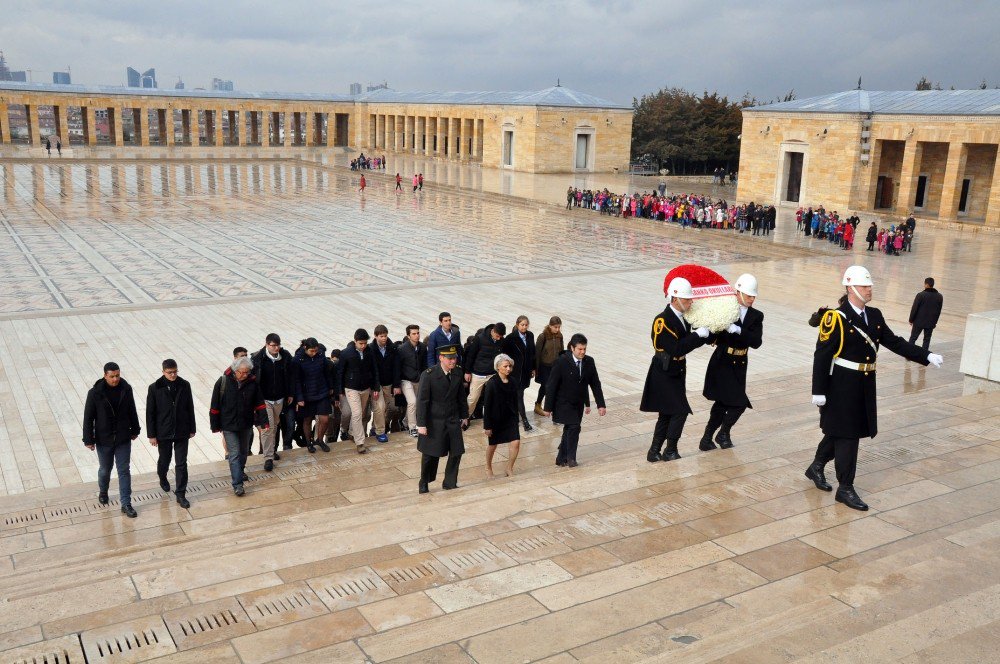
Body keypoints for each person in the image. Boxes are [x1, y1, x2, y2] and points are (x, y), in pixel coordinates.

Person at [808, 265, 943, 511]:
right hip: (841, 385)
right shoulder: (834, 318)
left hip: (865, 384)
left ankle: (816, 466)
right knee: (849, 436)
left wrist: (926, 355)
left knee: (842, 430)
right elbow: (822, 356)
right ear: (850, 288)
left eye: (869, 285)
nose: (869, 289)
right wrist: (818, 391)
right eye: (864, 286)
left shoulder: (876, 315)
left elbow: (895, 343)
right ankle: (845, 488)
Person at [640, 276, 711, 462]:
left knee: (667, 412)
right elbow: (676, 348)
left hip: (677, 370)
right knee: (680, 410)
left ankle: (654, 451)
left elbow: (690, 342)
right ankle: (670, 449)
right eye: (687, 299)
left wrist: (709, 333)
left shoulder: (684, 319)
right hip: (664, 371)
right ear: (675, 298)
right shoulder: (662, 321)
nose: (690, 302)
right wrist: (697, 336)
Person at [700, 274, 763, 451]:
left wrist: (737, 329)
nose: (752, 299)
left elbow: (756, 342)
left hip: (740, 363)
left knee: (723, 403)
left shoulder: (757, 316)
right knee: (738, 403)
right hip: (723, 362)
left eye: (753, 296)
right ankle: (722, 433)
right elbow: (711, 336)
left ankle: (707, 438)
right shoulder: (725, 311)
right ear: (738, 292)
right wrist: (706, 327)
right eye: (749, 295)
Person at [83, 362, 141, 518]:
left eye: (117, 375)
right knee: (105, 469)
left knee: (124, 470)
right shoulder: (95, 393)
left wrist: (135, 429)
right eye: (112, 376)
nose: (115, 379)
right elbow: (88, 418)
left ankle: (126, 503)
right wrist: (88, 439)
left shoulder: (126, 389)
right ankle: (103, 490)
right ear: (105, 375)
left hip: (123, 438)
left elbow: (132, 410)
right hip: (104, 439)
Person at [542, 333, 606, 467]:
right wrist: (547, 407)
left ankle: (560, 458)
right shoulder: (562, 361)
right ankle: (571, 458)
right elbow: (551, 385)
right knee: (574, 427)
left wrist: (601, 404)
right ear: (572, 348)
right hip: (563, 402)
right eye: (579, 349)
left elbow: (595, 383)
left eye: (584, 349)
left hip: (578, 404)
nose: (582, 352)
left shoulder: (589, 361)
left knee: (570, 428)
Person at [210, 356, 269, 496]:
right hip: (228, 425)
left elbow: (260, 404)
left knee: (243, 452)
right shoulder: (223, 382)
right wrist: (215, 425)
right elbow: (215, 405)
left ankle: (240, 471)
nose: (244, 375)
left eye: (247, 372)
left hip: (246, 424)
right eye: (242, 372)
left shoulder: (253, 383)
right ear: (235, 370)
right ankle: (237, 484)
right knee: (234, 453)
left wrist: (264, 422)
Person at [416, 344, 469, 493]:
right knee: (430, 454)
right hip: (435, 420)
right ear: (441, 358)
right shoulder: (429, 375)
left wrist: (464, 415)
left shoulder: (457, 372)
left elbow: (461, 397)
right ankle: (424, 481)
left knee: (457, 451)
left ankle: (450, 482)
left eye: (455, 358)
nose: (453, 361)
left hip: (452, 418)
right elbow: (422, 401)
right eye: (450, 358)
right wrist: (421, 424)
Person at [146, 359, 196, 508]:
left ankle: (181, 494)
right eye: (170, 372)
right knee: (165, 460)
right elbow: (150, 413)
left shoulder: (184, 385)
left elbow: (190, 407)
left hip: (181, 431)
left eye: (175, 372)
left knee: (181, 463)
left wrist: (192, 428)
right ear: (163, 372)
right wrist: (152, 435)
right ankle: (162, 477)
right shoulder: (155, 388)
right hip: (163, 431)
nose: (173, 375)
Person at [251, 333, 296, 471]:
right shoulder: (258, 359)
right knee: (267, 427)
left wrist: (290, 393)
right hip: (264, 400)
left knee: (275, 426)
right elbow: (254, 381)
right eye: (273, 345)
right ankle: (268, 458)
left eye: (278, 345)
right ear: (267, 345)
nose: (276, 348)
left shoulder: (285, 357)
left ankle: (271, 450)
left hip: (279, 399)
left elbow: (290, 376)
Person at [340, 329, 379, 453]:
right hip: (351, 388)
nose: (363, 346)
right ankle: (360, 442)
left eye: (365, 343)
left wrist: (375, 387)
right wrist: (339, 391)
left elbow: (374, 370)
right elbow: (340, 372)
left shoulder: (370, 352)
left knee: (360, 414)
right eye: (361, 343)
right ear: (355, 341)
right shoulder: (346, 353)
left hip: (366, 388)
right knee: (356, 414)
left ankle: (352, 432)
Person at [294, 338, 337, 453]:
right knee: (307, 420)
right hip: (306, 395)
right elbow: (296, 380)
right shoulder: (298, 359)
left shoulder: (321, 355)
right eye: (312, 351)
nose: (314, 353)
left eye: (316, 351)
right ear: (305, 348)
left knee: (325, 419)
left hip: (322, 392)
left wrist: (330, 387)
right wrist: (299, 397)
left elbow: (326, 372)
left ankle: (319, 440)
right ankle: (308, 443)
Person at [483, 354, 521, 477]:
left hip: (510, 418)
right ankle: (488, 467)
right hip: (496, 419)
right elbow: (487, 406)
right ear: (498, 367)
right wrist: (487, 426)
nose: (508, 368)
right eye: (505, 366)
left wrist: (517, 416)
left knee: (516, 443)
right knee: (493, 445)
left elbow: (516, 400)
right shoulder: (492, 383)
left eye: (510, 366)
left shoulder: (513, 381)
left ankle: (509, 468)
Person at [502, 315, 536, 432]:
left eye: (526, 325)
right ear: (517, 325)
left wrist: (533, 368)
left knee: (517, 395)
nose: (524, 327)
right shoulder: (510, 338)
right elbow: (504, 355)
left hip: (526, 371)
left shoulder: (530, 335)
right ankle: (525, 420)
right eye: (522, 325)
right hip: (515, 372)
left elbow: (533, 352)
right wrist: (507, 368)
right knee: (519, 395)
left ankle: (514, 416)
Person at [464, 322, 506, 418]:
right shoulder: (480, 338)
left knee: (496, 397)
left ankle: (494, 418)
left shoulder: (501, 340)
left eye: (501, 336)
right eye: (497, 336)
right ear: (493, 331)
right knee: (473, 398)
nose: (499, 338)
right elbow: (471, 355)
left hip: (493, 374)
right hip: (478, 373)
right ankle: (465, 418)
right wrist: (467, 371)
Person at [371, 324, 401, 443]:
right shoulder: (371, 349)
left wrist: (396, 385)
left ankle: (375, 427)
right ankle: (380, 432)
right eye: (381, 336)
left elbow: (396, 367)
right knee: (380, 407)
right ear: (376, 336)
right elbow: (372, 370)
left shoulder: (392, 348)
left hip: (389, 383)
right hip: (376, 385)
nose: (384, 338)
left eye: (385, 336)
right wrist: (375, 386)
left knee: (390, 408)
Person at [398, 324, 428, 436]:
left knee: (417, 403)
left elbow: (425, 364)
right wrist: (396, 384)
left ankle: (405, 421)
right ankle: (412, 428)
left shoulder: (423, 347)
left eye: (418, 333)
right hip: (406, 380)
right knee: (412, 402)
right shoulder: (402, 349)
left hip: (419, 379)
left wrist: (424, 377)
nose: (417, 335)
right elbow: (398, 367)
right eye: (414, 334)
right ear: (408, 335)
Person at [533, 316, 563, 415]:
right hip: (544, 366)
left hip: (555, 366)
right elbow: (537, 354)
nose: (557, 329)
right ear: (550, 326)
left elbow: (562, 351)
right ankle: (538, 404)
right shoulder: (543, 336)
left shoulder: (560, 336)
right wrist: (536, 369)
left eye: (559, 327)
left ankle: (554, 406)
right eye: (555, 327)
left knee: (555, 386)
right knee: (545, 386)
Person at [908, 277, 944, 350]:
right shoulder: (939, 296)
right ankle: (924, 356)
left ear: (926, 284)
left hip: (918, 322)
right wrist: (935, 323)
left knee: (913, 338)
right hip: (930, 323)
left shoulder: (920, 295)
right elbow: (938, 311)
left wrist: (911, 320)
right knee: (927, 340)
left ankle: (909, 354)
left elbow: (914, 308)